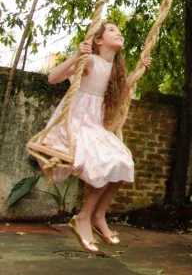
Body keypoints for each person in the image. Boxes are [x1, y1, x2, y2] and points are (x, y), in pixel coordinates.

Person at [42, 22, 150, 252]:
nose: (118, 32)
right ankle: (84, 217)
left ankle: (98, 215)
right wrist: (76, 56)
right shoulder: (90, 60)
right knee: (106, 162)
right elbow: (53, 78)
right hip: (75, 124)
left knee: (123, 161)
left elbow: (122, 94)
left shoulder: (115, 71)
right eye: (112, 30)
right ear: (98, 40)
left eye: (119, 30)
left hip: (95, 126)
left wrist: (139, 70)